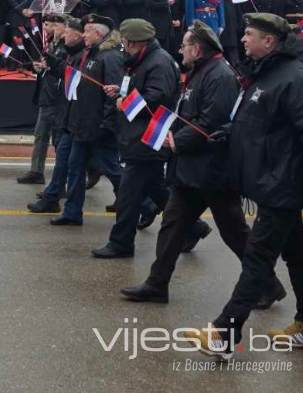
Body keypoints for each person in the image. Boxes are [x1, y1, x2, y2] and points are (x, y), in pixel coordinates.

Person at [121, 21, 286, 307]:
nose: (180, 49)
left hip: (212, 171)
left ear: (197, 49)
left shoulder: (218, 75)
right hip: (192, 171)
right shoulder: (201, 72)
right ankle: (157, 284)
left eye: (184, 45)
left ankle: (268, 284)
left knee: (235, 233)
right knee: (172, 226)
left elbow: (212, 121)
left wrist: (178, 141)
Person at [185, 14, 303, 359]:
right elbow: (259, 122)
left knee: (257, 258)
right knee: (298, 254)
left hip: (281, 184)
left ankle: (224, 333)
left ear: (269, 42)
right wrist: (229, 135)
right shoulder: (265, 73)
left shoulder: (296, 78)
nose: (242, 40)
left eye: (250, 35)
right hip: (270, 180)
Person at [90, 19, 179, 258]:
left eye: (125, 44)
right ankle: (192, 228)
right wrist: (120, 90)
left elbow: (156, 97)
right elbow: (143, 90)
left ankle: (121, 242)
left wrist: (124, 102)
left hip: (147, 137)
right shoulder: (144, 60)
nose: (123, 48)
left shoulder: (158, 62)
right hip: (139, 137)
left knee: (128, 196)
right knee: (156, 190)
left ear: (134, 42)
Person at [51, 15, 123, 227]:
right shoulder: (89, 54)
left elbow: (114, 94)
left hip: (98, 126)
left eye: (88, 31)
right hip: (82, 124)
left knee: (113, 170)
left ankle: (146, 202)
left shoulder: (109, 58)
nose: (84, 34)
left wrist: (106, 124)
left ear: (98, 34)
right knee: (75, 167)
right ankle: (72, 212)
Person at [29, 16, 85, 214]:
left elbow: (69, 75)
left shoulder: (71, 51)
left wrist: (50, 67)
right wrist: (43, 68)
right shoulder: (56, 47)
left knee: (68, 150)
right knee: (56, 145)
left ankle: (57, 190)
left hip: (59, 102)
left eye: (55, 25)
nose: (50, 28)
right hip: (52, 98)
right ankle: (54, 191)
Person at [19, 14, 65, 185]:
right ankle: (37, 171)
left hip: (57, 97)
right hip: (46, 95)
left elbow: (66, 70)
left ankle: (63, 177)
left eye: (48, 25)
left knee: (59, 140)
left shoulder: (67, 47)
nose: (45, 28)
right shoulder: (51, 45)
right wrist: (41, 67)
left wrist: (50, 67)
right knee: (41, 136)